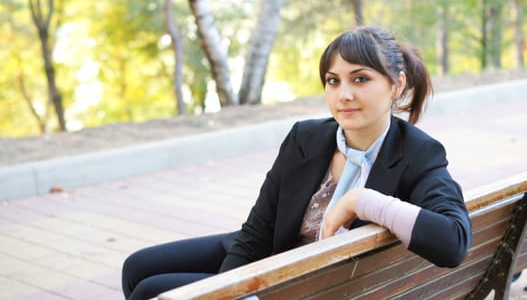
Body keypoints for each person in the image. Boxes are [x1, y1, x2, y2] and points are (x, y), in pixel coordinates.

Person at [122, 25, 472, 300]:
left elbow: (453, 241)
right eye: (333, 81)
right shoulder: (306, 137)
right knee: (138, 268)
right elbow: (259, 228)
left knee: (151, 290)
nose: (343, 95)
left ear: (397, 86)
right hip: (272, 250)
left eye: (360, 79)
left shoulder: (418, 153)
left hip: (307, 285)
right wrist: (227, 289)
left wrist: (361, 200)